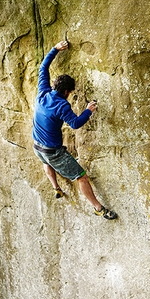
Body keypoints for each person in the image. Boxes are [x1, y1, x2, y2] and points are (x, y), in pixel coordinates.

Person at [33, 40, 117, 220]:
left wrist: (55, 49)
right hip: (52, 151)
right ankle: (98, 208)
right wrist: (89, 110)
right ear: (66, 92)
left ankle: (56, 188)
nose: (70, 95)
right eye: (70, 92)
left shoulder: (43, 92)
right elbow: (75, 123)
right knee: (81, 177)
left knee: (46, 162)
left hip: (37, 145)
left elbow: (43, 67)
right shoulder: (62, 105)